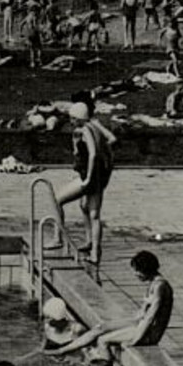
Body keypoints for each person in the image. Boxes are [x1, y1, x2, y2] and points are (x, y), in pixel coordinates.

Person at [53, 252, 172, 357]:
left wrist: (135, 339)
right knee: (101, 327)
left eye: (137, 271)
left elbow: (150, 318)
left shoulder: (160, 287)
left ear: (146, 270)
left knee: (103, 340)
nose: (135, 274)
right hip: (140, 323)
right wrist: (124, 323)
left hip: (149, 333)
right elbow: (141, 314)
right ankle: (63, 350)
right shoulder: (153, 282)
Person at [53, 96, 114, 266]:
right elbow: (110, 142)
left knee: (57, 199)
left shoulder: (85, 130)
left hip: (90, 177)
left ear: (77, 118)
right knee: (91, 212)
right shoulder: (94, 127)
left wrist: (87, 177)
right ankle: (94, 250)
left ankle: (58, 238)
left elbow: (93, 153)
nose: (70, 121)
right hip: (98, 175)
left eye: (72, 118)